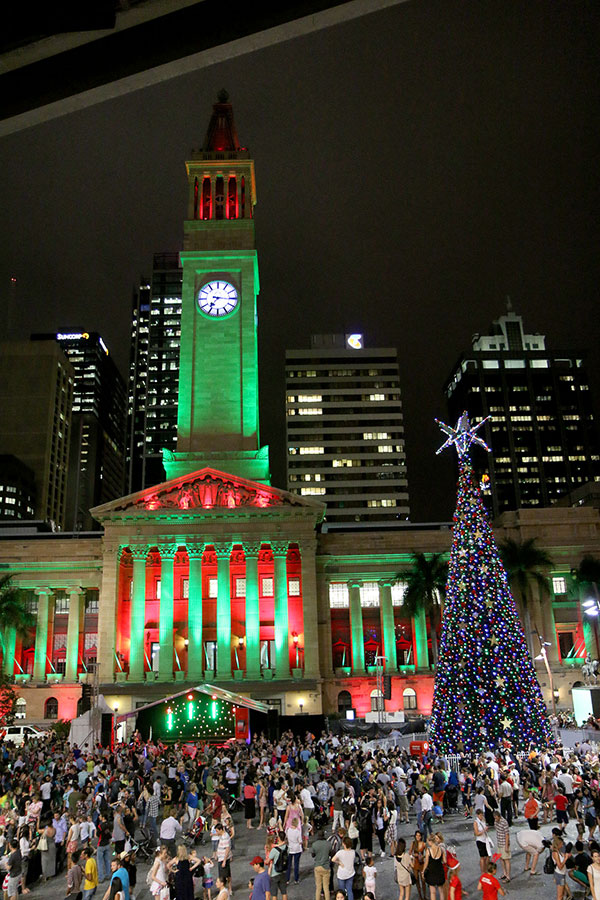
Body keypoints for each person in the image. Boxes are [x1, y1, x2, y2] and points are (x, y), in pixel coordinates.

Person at [422, 834, 445, 900]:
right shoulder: (441, 849)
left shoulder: (428, 851)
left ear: (430, 841)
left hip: (431, 872)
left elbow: (426, 863)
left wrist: (423, 871)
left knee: (432, 892)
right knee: (441, 892)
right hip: (440, 871)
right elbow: (444, 861)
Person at [311, 828, 330, 900]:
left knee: (318, 888)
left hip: (317, 866)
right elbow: (331, 852)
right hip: (326, 866)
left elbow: (313, 855)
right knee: (326, 887)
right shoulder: (328, 843)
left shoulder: (314, 844)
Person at [493, 810, 510, 882]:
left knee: (506, 859)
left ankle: (508, 876)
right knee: (501, 859)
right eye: (494, 818)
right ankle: (504, 873)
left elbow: (507, 835)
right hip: (499, 843)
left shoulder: (504, 822)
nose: (495, 819)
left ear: (499, 816)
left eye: (496, 818)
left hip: (504, 843)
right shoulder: (496, 822)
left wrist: (506, 846)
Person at [551, 834, 570, 900]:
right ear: (558, 844)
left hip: (562, 874)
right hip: (559, 875)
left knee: (563, 894)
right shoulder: (555, 853)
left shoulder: (558, 851)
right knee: (560, 896)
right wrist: (565, 859)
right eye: (561, 844)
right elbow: (560, 866)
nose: (562, 845)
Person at [285, 817, 302, 885]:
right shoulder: (298, 832)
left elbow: (286, 838)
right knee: (296, 864)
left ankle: (287, 879)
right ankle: (296, 879)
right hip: (297, 849)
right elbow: (300, 841)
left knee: (288, 865)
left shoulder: (288, 830)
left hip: (290, 848)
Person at [473, 809, 490, 874]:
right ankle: (483, 871)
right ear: (477, 815)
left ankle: (486, 869)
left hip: (485, 839)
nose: (481, 816)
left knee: (487, 856)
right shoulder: (476, 822)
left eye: (482, 815)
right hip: (480, 840)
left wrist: (486, 830)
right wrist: (484, 830)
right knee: (482, 857)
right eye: (480, 815)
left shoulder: (483, 820)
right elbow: (476, 833)